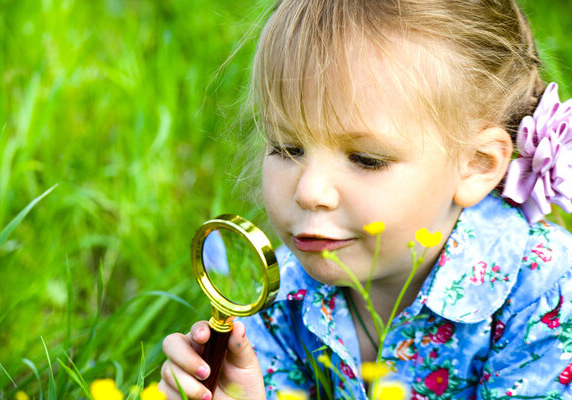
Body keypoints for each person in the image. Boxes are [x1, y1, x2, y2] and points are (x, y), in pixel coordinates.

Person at [159, 0, 572, 398]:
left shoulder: (543, 293)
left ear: (478, 164)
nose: (309, 192)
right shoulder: (285, 294)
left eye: (366, 159)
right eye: (287, 149)